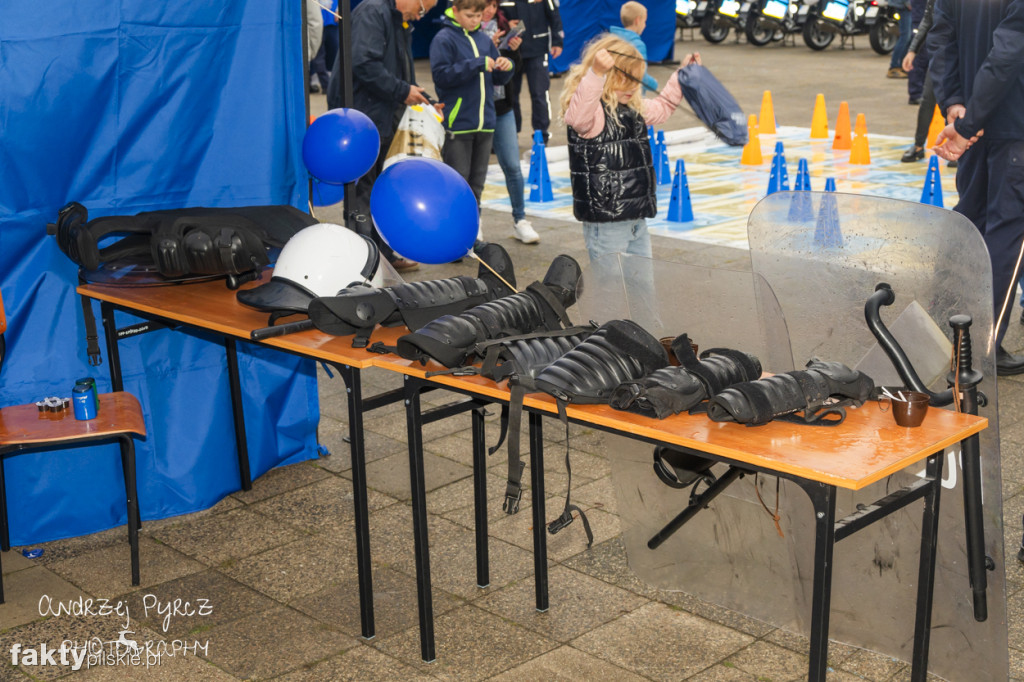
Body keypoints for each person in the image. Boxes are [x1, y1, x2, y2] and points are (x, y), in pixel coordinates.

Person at [930, 0, 1024, 374]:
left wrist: (955, 104)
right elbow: (1007, 54)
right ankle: (980, 346)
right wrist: (969, 121)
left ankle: (946, 330)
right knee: (1005, 239)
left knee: (969, 227)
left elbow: (941, 42)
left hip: (974, 120)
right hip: (1010, 127)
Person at [561, 34, 699, 263]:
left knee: (642, 287)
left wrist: (681, 75)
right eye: (627, 79)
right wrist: (595, 74)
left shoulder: (632, 107)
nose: (634, 86)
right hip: (606, 223)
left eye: (637, 80)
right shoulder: (593, 113)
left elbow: (663, 107)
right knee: (611, 289)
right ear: (608, 76)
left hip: (636, 217)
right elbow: (576, 118)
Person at [326, 0, 439, 272]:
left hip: (382, 115)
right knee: (363, 191)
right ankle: (364, 260)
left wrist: (419, 97)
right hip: (362, 119)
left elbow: (397, 70)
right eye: (423, 8)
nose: (420, 16)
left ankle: (382, 255)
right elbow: (363, 63)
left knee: (380, 187)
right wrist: (402, 91)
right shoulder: (373, 12)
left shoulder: (397, 19)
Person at [430, 0, 515, 247]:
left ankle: (471, 233)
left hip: (485, 123)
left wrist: (505, 67)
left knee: (476, 185)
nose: (475, 20)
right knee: (457, 184)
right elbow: (442, 77)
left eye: (478, 16)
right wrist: (477, 64)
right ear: (455, 11)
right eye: (469, 15)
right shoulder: (444, 39)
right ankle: (453, 238)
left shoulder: (484, 40)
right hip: (458, 124)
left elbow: (497, 78)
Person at [480, 0, 541, 243]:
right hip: (476, 111)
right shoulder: (462, 33)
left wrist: (513, 50)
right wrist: (487, 47)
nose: (488, 11)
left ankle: (520, 220)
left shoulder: (503, 26)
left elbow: (512, 71)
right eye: (484, 6)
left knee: (513, 167)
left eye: (493, 6)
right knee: (476, 173)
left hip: (503, 107)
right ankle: (475, 222)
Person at [499, 0, 564, 143]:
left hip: (537, 51)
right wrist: (506, 25)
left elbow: (554, 16)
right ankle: (511, 134)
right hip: (510, 52)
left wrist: (557, 41)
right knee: (511, 94)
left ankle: (541, 134)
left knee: (539, 93)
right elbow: (494, 15)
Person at [609, 1, 658, 94]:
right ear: (637, 20)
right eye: (644, 21)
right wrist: (654, 84)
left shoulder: (612, 40)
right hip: (632, 96)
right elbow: (640, 76)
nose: (645, 25)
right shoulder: (638, 45)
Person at [310, 0, 339, 94]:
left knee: (333, 53)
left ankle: (330, 83)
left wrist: (339, 9)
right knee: (318, 56)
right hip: (318, 22)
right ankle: (326, 84)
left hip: (331, 22)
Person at [885, 0, 912, 79]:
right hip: (902, 5)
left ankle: (902, 66)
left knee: (907, 37)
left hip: (902, 5)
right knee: (905, 37)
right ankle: (894, 67)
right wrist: (908, 3)